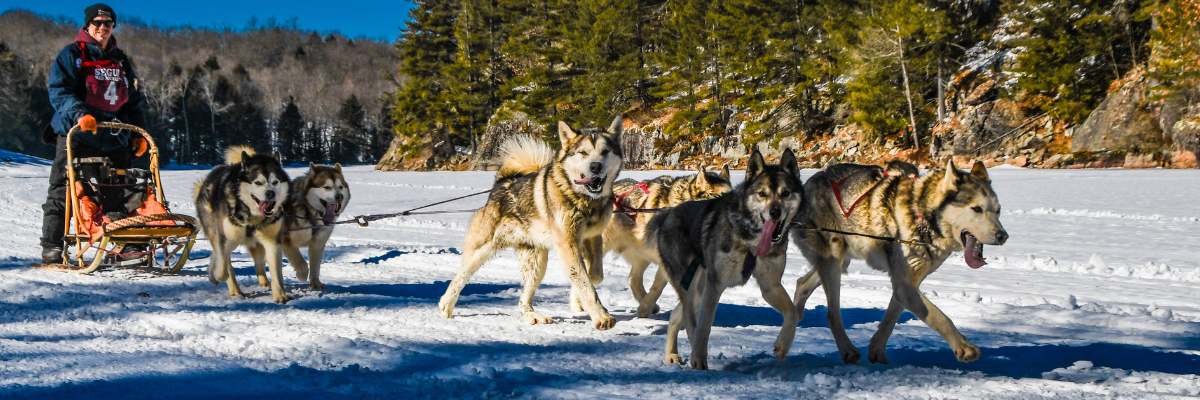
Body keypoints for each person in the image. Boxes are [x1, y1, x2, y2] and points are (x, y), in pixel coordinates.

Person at [41, 3, 149, 264]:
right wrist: (80, 114)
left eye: (108, 23)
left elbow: (133, 99)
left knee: (120, 190)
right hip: (76, 133)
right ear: (88, 25)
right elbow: (59, 91)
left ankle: (126, 246)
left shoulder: (120, 59)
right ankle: (52, 246)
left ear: (113, 27)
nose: (103, 28)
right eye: (97, 23)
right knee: (64, 190)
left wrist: (139, 132)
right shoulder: (71, 54)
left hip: (115, 135)